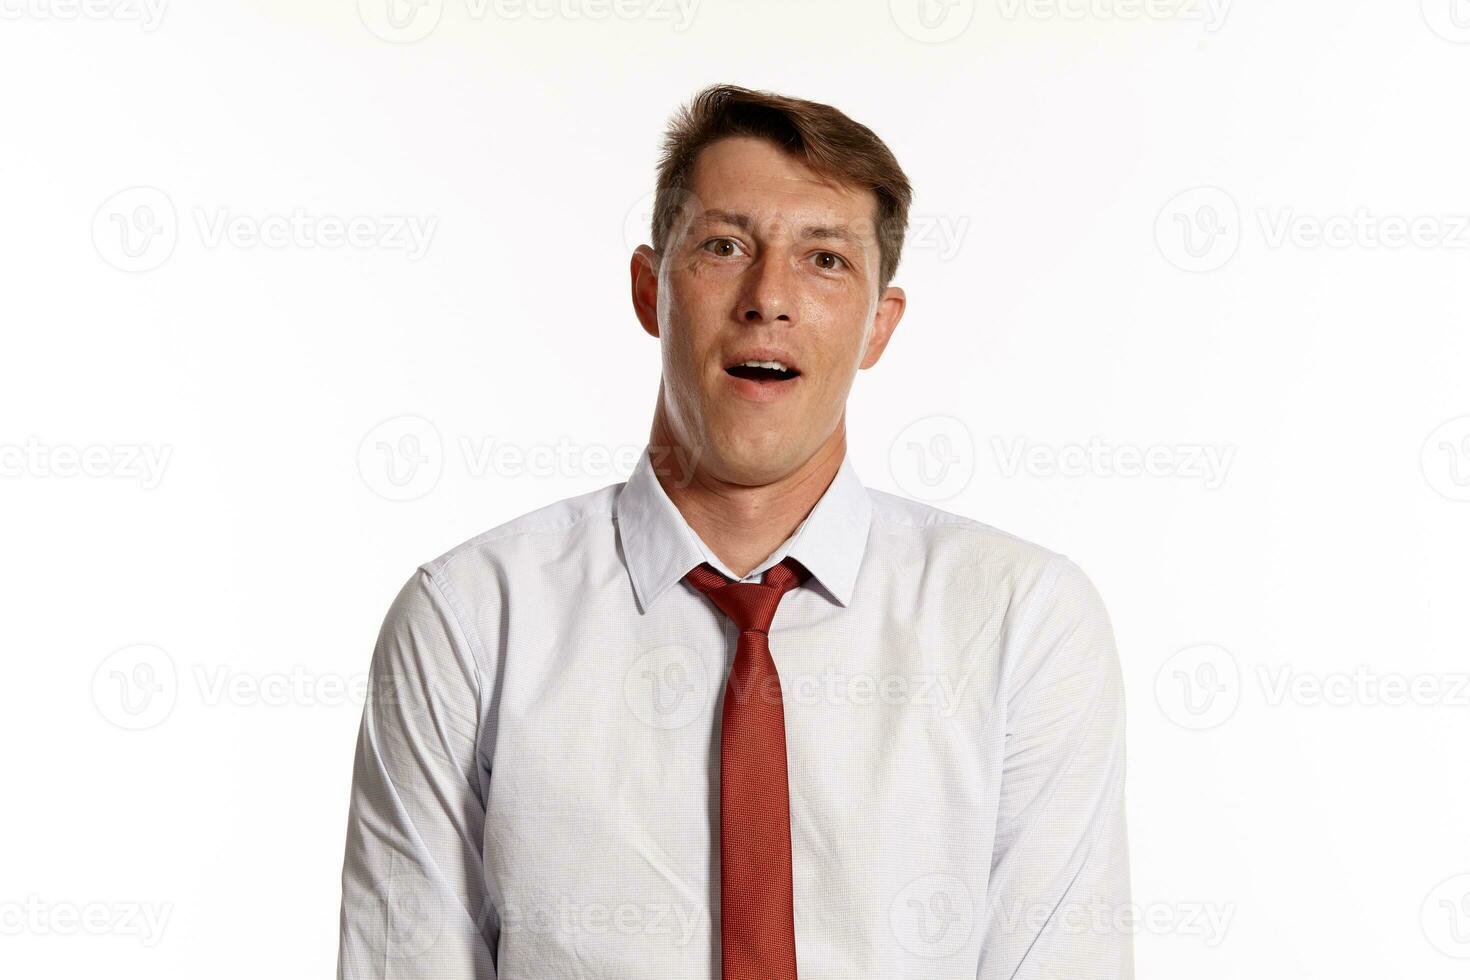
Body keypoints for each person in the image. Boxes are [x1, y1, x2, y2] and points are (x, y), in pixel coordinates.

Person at [336, 82, 1132, 979]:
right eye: (724, 246)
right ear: (650, 289)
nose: (769, 298)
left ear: (880, 325)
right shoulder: (471, 621)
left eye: (824, 259)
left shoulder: (1021, 620)